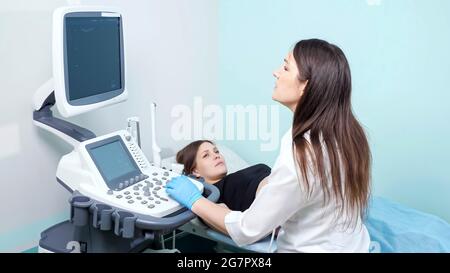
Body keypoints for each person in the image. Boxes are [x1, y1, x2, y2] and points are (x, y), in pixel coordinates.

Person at [166, 39, 372, 252]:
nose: (276, 72)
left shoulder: (303, 152)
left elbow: (247, 229)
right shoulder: (349, 133)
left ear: (306, 86)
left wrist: (194, 200)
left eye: (285, 67)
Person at [176, 140, 271, 211]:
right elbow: (227, 218)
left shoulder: (232, 179)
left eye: (216, 151)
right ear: (195, 171)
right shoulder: (209, 196)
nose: (217, 155)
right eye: (206, 155)